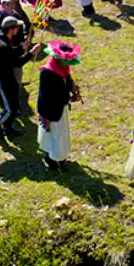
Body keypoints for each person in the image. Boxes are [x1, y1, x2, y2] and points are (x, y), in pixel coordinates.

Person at [0, 17, 43, 138]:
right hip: (2, 80)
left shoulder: (3, 38)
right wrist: (31, 53)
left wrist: (21, 48)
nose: (18, 29)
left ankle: (7, 127)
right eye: (17, 27)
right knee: (10, 109)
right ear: (11, 29)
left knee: (14, 104)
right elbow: (17, 63)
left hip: (9, 76)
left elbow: (10, 54)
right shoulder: (1, 44)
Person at [37, 41, 82, 171]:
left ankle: (60, 157)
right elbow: (51, 96)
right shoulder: (47, 74)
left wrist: (72, 88)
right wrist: (69, 98)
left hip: (61, 109)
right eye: (65, 61)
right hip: (51, 111)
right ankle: (51, 159)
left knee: (62, 133)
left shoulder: (62, 69)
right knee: (54, 135)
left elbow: (67, 79)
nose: (67, 65)